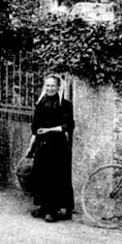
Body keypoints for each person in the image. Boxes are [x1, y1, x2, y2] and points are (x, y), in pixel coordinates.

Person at [25, 74, 75, 222]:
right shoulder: (40, 103)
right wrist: (32, 145)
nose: (50, 88)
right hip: (42, 145)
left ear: (58, 87)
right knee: (41, 177)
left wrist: (50, 130)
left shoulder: (65, 104)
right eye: (47, 85)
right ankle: (43, 207)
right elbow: (35, 126)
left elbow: (69, 125)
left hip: (58, 146)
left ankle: (54, 211)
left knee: (56, 178)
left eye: (53, 85)